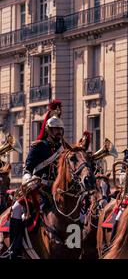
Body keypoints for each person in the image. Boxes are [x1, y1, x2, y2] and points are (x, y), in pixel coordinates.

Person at [9, 100, 65, 258]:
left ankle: (77, 245)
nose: (58, 133)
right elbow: (27, 169)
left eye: (60, 130)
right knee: (16, 209)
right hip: (39, 190)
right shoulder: (38, 146)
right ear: (48, 130)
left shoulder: (63, 149)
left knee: (82, 214)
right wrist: (30, 181)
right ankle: (15, 248)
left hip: (58, 191)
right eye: (55, 130)